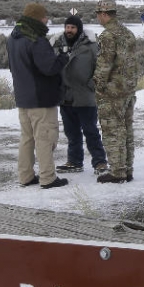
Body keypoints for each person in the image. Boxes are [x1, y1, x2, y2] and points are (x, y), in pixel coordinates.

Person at [7, 2, 70, 189]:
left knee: (27, 138)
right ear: (36, 18)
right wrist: (63, 58)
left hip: (23, 97)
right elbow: (49, 68)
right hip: (41, 98)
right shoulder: (36, 39)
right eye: (44, 16)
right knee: (45, 138)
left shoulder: (13, 37)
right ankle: (48, 177)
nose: (47, 19)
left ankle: (25, 176)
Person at [52, 15, 108, 176]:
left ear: (79, 29)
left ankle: (100, 162)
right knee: (71, 133)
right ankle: (75, 161)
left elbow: (102, 68)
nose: (69, 30)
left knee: (90, 131)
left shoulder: (90, 46)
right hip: (66, 97)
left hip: (85, 96)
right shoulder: (58, 44)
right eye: (67, 27)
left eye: (72, 28)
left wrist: (92, 85)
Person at [93, 0, 138, 183]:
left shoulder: (107, 36)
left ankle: (117, 172)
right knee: (126, 130)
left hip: (112, 91)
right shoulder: (127, 33)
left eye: (98, 14)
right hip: (128, 90)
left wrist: (98, 84)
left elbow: (105, 64)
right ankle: (127, 170)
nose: (98, 17)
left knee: (113, 131)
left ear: (104, 14)